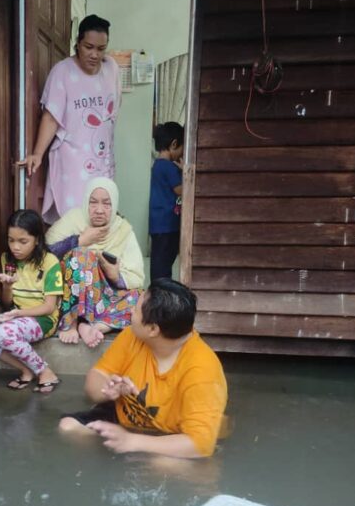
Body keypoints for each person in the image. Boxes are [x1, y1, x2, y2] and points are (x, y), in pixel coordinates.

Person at [59, 279, 228, 459]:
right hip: (124, 418)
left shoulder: (203, 371)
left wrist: (132, 442)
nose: (131, 310)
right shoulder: (132, 336)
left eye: (136, 310)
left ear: (153, 329)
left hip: (171, 435)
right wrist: (107, 390)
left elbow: (200, 445)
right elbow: (95, 378)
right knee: (68, 427)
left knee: (164, 464)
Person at [26, 14, 122, 223]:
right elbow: (51, 117)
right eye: (89, 47)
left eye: (101, 48)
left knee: (101, 217)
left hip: (102, 161)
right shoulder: (62, 72)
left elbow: (112, 113)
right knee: (74, 221)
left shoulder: (112, 69)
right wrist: (37, 154)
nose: (95, 54)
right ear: (77, 43)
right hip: (72, 163)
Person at [46, 177, 144, 348]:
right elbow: (45, 253)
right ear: (85, 202)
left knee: (140, 299)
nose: (99, 210)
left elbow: (136, 276)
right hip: (69, 296)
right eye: (93, 203)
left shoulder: (123, 229)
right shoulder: (74, 219)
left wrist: (116, 276)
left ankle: (93, 326)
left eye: (106, 204)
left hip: (104, 298)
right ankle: (72, 323)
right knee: (81, 256)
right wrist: (80, 240)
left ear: (114, 206)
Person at [0, 209, 62, 394]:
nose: (16, 247)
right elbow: (7, 303)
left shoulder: (49, 262)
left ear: (37, 239)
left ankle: (45, 372)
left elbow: (49, 307)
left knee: (5, 333)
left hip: (43, 319)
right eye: (11, 240)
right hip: (16, 316)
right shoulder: (8, 259)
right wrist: (7, 287)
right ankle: (25, 370)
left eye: (23, 241)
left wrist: (18, 313)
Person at [149, 122, 184, 281]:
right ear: (174, 144)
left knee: (159, 262)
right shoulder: (169, 167)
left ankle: (159, 290)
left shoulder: (157, 165)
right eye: (182, 148)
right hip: (167, 224)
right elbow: (181, 190)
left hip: (159, 224)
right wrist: (186, 172)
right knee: (163, 266)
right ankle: (161, 293)